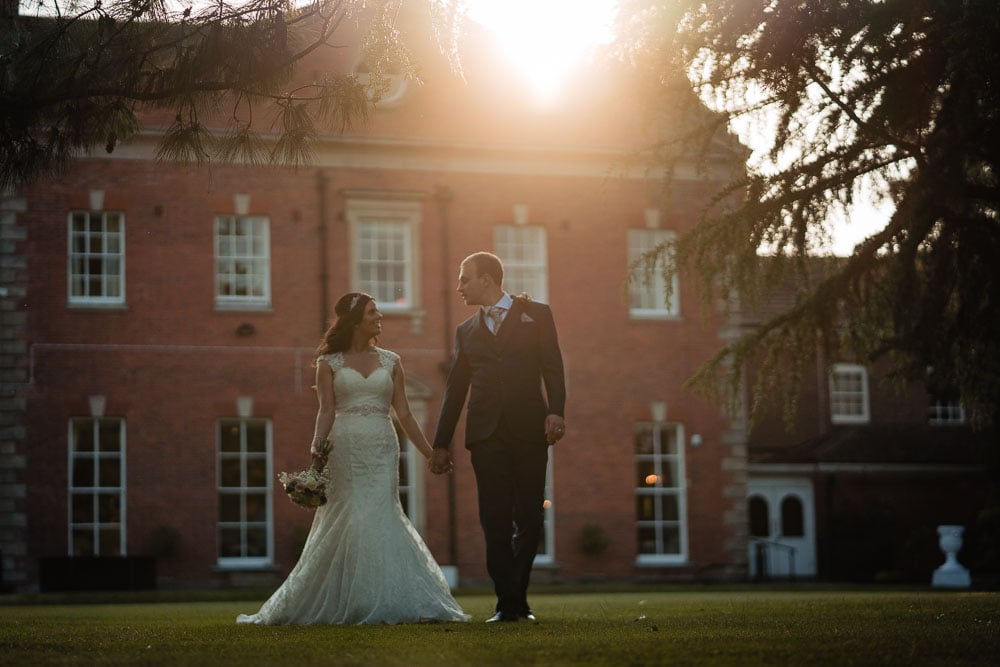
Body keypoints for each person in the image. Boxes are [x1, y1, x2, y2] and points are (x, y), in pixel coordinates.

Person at [238, 292, 469, 625]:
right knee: (350, 517)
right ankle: (346, 600)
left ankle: (387, 598)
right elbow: (326, 409)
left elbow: (403, 412)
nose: (380, 317)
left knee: (379, 514)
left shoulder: (392, 361)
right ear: (355, 320)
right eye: (373, 312)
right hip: (343, 447)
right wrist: (317, 450)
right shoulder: (328, 362)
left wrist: (430, 453)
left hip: (382, 446)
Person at [431, 252, 567, 623]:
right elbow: (454, 391)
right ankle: (509, 604)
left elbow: (552, 366)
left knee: (529, 517)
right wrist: (440, 443)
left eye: (465, 279)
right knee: (493, 519)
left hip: (529, 430)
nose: (459, 286)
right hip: (486, 434)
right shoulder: (466, 331)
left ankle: (514, 599)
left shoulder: (537, 315)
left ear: (487, 279)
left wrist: (556, 409)